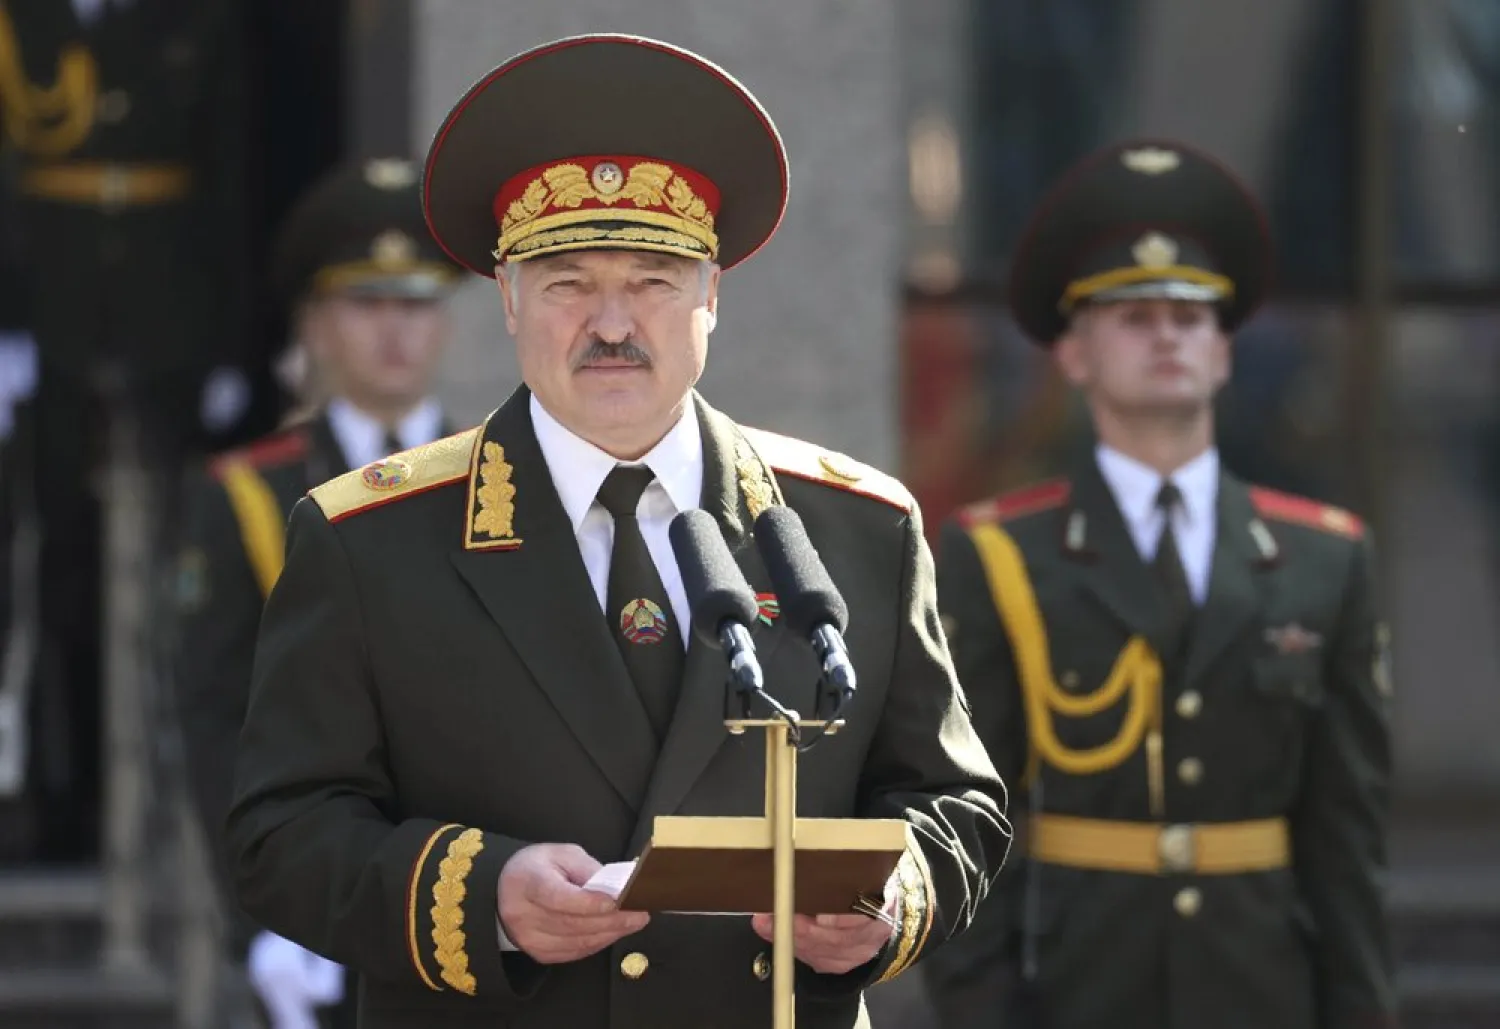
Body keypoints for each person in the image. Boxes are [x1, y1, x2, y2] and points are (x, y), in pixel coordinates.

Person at [224, 34, 1010, 1028]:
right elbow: (281, 832)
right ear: (507, 300)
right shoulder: (372, 538)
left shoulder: (854, 528)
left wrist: (886, 906)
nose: (610, 323)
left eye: (651, 280)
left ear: (711, 295)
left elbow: (955, 803)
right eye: (566, 284)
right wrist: (483, 896)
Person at [920, 139, 1398, 1029]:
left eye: (1191, 316)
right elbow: (969, 825)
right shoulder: (1000, 555)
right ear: (1074, 354)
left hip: (1265, 992)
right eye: (1134, 316)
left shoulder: (1325, 558)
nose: (1169, 335)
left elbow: (1347, 842)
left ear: (1223, 352)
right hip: (1075, 988)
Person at [172, 157, 460, 1029]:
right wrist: (258, 918)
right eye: (367, 305)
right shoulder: (249, 494)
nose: (394, 333)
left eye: (415, 304)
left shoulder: (505, 478)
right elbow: (217, 718)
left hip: (473, 891)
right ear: (316, 326)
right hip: (318, 897)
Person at [0, 0, 251, 861]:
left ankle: (166, 806)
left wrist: (232, 343)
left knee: (180, 566)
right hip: (50, 329)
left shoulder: (194, 20)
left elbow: (230, 174)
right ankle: (60, 796)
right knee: (55, 561)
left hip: (166, 323)